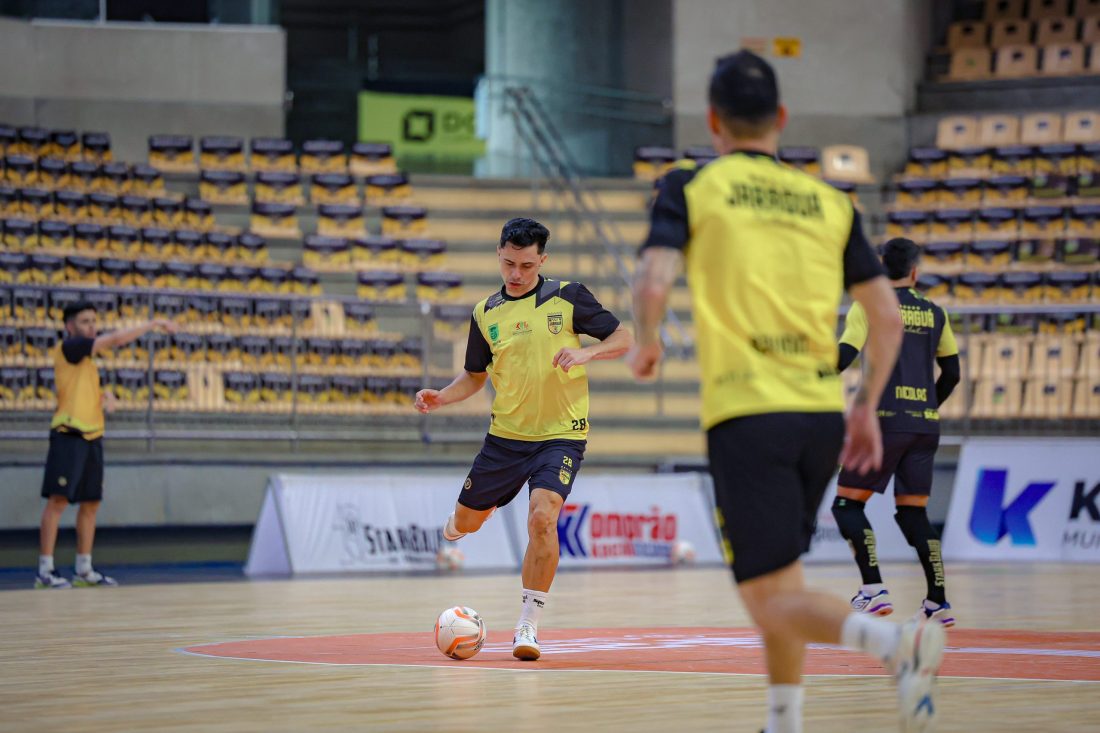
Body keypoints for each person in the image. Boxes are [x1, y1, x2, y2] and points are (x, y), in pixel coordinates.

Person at [628, 50, 944, 733]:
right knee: (785, 585)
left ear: (713, 122)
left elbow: (653, 280)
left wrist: (647, 341)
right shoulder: (832, 202)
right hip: (821, 419)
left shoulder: (691, 185)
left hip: (748, 415)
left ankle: (900, 644)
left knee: (767, 599)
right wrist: (864, 407)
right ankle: (783, 719)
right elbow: (886, 316)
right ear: (782, 119)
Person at [415, 217, 632, 661]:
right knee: (464, 524)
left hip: (560, 437)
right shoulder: (485, 312)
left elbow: (623, 338)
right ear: (498, 254)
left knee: (542, 518)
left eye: (527, 266)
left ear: (542, 261)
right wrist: (442, 397)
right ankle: (484, 508)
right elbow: (474, 377)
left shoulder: (569, 297)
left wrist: (586, 351)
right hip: (505, 440)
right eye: (510, 263)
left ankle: (527, 627)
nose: (517, 274)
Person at [834, 237, 960, 627]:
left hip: (884, 420)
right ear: (915, 273)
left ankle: (873, 588)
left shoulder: (868, 307)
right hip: (924, 425)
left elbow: (843, 358)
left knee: (847, 505)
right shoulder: (937, 313)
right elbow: (952, 374)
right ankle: (938, 601)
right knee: (913, 514)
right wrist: (923, 409)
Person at [36, 301, 178, 589]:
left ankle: (84, 569)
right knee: (58, 501)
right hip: (69, 434)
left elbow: (83, 395)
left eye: (93, 321)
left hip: (92, 437)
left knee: (91, 503)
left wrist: (104, 399)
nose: (92, 326)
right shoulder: (70, 348)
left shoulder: (86, 364)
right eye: (85, 321)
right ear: (70, 326)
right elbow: (114, 340)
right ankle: (45, 570)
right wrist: (151, 324)